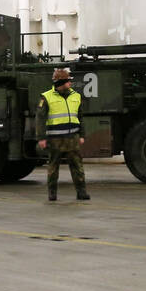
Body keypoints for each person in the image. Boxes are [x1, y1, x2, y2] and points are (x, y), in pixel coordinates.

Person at [35, 67, 89, 202]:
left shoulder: (76, 96)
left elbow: (80, 117)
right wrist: (41, 138)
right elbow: (40, 119)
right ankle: (52, 193)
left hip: (73, 138)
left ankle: (81, 192)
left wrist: (82, 135)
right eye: (68, 81)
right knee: (53, 167)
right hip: (55, 139)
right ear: (61, 83)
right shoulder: (46, 97)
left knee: (77, 166)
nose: (70, 83)